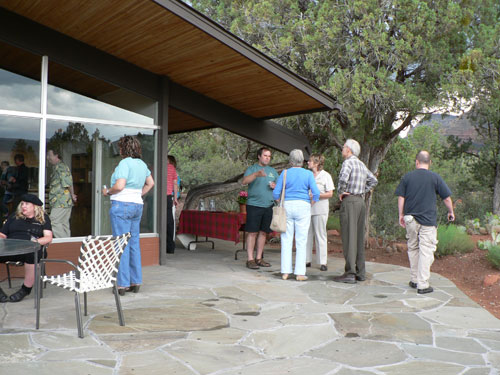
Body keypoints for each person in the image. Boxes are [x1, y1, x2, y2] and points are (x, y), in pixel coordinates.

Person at [395, 151, 455, 294]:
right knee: (426, 250)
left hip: (410, 219)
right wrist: (451, 212)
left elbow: (401, 197)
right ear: (430, 163)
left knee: (413, 248)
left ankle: (415, 280)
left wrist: (401, 215)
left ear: (417, 162)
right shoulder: (435, 177)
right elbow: (446, 198)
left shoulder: (407, 177)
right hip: (428, 221)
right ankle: (422, 284)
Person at [102, 136, 154, 295]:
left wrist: (107, 191)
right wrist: (138, 194)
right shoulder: (142, 164)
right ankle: (135, 281)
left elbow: (119, 185)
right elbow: (150, 183)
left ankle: (122, 285)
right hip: (137, 205)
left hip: (121, 205)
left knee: (120, 244)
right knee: (133, 243)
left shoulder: (124, 163)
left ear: (123, 149)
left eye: (120, 147)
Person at [334, 139, 378, 284]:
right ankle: (360, 272)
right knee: (358, 238)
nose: (342, 150)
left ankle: (350, 273)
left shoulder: (348, 163)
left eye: (344, 147)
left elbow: (342, 179)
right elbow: (373, 181)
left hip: (350, 201)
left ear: (349, 150)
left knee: (349, 237)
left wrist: (341, 192)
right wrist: (362, 191)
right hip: (360, 202)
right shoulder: (361, 164)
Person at [273, 149, 320, 281]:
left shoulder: (285, 173)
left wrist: (280, 201)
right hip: (303, 206)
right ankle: (300, 273)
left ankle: (285, 272)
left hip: (287, 205)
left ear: (290, 161)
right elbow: (316, 193)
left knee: (286, 239)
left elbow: (276, 193)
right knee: (301, 240)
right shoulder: (308, 174)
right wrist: (310, 203)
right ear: (302, 161)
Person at [0, 194, 53, 302]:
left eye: (27, 204)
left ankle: (25, 289)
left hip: (30, 249)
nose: (23, 206)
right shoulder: (14, 216)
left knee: (34, 253)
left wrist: (34, 242)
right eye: (22, 203)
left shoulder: (43, 218)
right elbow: (2, 234)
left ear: (35, 207)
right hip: (11, 249)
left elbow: (48, 237)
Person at [242, 147, 279, 269]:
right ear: (259, 156)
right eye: (265, 155)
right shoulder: (252, 169)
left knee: (263, 233)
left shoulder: (273, 171)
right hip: (254, 205)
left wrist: (275, 186)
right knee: (252, 232)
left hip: (268, 205)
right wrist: (256, 174)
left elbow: (279, 187)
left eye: (269, 156)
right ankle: (250, 259)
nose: (267, 158)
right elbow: (244, 181)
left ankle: (259, 258)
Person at [305, 154, 335, 271]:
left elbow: (330, 193)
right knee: (307, 234)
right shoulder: (307, 175)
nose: (308, 162)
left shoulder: (326, 176)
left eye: (310, 161)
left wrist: (317, 195)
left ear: (317, 163)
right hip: (307, 209)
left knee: (320, 234)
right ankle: (306, 260)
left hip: (320, 209)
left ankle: (323, 261)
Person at [47, 148, 77, 238]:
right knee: (63, 223)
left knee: (54, 221)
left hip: (61, 201)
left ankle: (62, 243)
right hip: (62, 201)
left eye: (49, 155)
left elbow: (68, 182)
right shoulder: (56, 167)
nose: (47, 158)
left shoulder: (61, 167)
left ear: (56, 156)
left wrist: (72, 194)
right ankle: (68, 247)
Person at [166, 155, 178, 253]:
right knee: (169, 222)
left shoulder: (155, 166)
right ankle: (170, 247)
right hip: (167, 197)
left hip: (156, 197)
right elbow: (175, 184)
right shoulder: (171, 168)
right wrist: (175, 198)